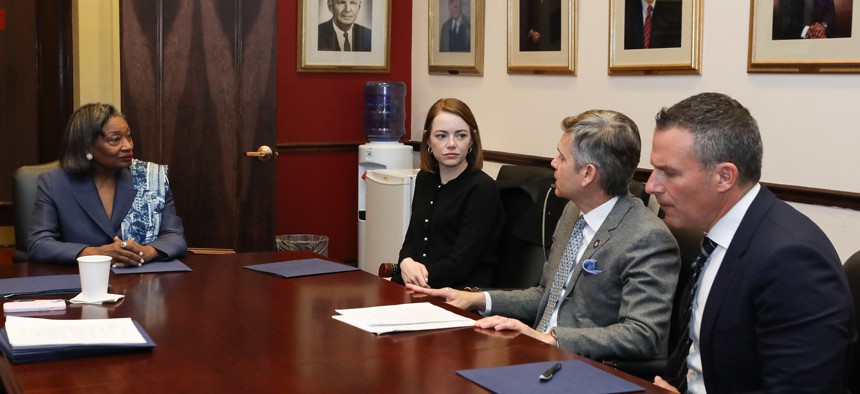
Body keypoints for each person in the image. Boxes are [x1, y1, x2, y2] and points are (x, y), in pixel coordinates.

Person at [409, 110, 680, 361]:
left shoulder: (647, 237)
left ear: (587, 174)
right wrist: (478, 299)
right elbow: (546, 295)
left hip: (585, 369)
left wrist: (550, 339)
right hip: (534, 355)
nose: (553, 163)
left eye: (562, 157)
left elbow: (644, 335)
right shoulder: (573, 212)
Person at [647, 93, 855, 393]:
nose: (652, 185)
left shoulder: (792, 260)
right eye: (654, 169)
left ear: (724, 177)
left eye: (669, 173)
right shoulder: (714, 238)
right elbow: (693, 352)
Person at [28, 103, 187, 267]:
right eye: (115, 140)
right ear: (87, 146)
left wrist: (149, 252)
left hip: (143, 282)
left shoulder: (152, 178)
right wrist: (96, 253)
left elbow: (175, 236)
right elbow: (38, 244)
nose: (128, 146)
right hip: (81, 281)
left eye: (129, 137)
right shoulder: (54, 183)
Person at [391, 98, 503, 290]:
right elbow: (412, 238)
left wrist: (409, 281)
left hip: (462, 294)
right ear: (428, 140)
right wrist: (405, 262)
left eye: (460, 136)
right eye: (442, 136)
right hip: (422, 287)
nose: (451, 144)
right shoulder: (425, 178)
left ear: (472, 141)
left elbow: (460, 265)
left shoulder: (482, 189)